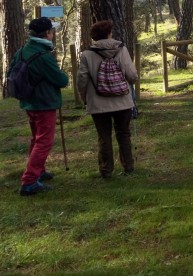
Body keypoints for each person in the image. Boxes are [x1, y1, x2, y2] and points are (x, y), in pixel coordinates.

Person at [9, 17, 69, 195]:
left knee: (36, 139)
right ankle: (29, 180)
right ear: (47, 34)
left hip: (29, 102)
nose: (53, 34)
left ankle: (39, 171)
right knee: (44, 141)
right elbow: (62, 80)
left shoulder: (22, 50)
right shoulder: (43, 56)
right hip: (44, 103)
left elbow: (13, 69)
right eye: (52, 31)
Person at [78, 20, 138, 179]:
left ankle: (106, 170)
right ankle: (128, 166)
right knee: (123, 133)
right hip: (122, 100)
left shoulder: (87, 54)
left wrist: (84, 98)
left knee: (103, 136)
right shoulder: (121, 49)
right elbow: (132, 75)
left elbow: (82, 80)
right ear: (109, 33)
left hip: (98, 103)